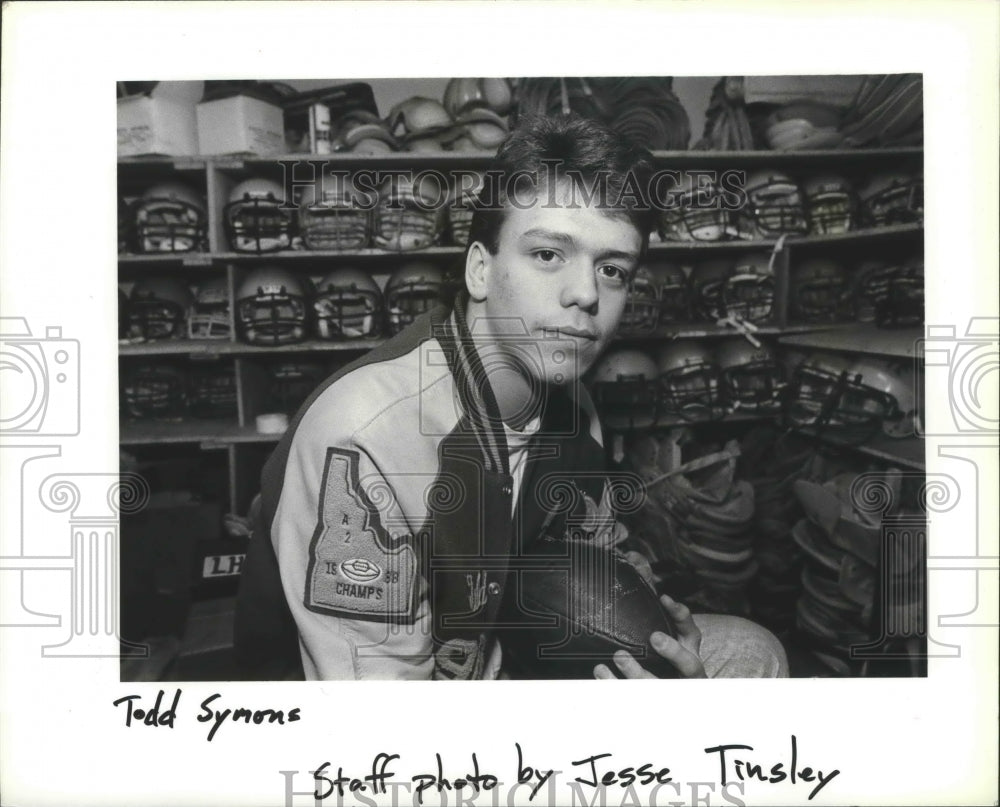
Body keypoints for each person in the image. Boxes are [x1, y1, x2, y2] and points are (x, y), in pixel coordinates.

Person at [235, 113, 788, 680]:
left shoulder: (574, 408)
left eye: (613, 269)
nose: (586, 294)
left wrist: (653, 640)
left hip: (493, 650)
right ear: (480, 269)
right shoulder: (366, 435)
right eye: (548, 255)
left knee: (749, 651)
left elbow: (583, 567)